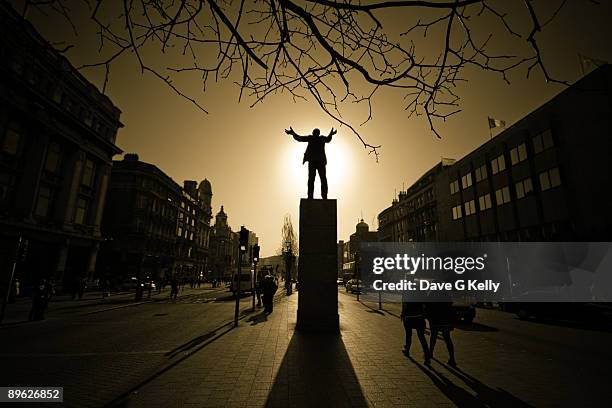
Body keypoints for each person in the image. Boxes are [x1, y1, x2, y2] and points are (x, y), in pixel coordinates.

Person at [285, 126, 337, 199]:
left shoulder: (320, 138)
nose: (315, 134)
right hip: (313, 161)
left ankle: (323, 196)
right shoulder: (312, 138)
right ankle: (311, 196)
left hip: (319, 162)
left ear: (317, 133)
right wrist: (293, 133)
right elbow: (300, 138)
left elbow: (328, 139)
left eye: (316, 132)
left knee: (322, 179)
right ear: (313, 133)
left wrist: (331, 134)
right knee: (312, 180)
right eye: (314, 132)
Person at [401, 295, 431, 366]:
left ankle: (407, 350)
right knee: (421, 337)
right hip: (419, 318)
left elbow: (404, 305)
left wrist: (403, 314)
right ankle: (427, 356)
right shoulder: (421, 292)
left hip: (409, 317)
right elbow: (425, 305)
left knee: (408, 334)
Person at [426, 300, 457, 367]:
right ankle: (452, 358)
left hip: (435, 320)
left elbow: (428, 306)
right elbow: (451, 305)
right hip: (445, 320)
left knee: (433, 337)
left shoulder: (433, 293)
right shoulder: (446, 294)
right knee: (447, 338)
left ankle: (430, 353)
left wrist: (428, 317)